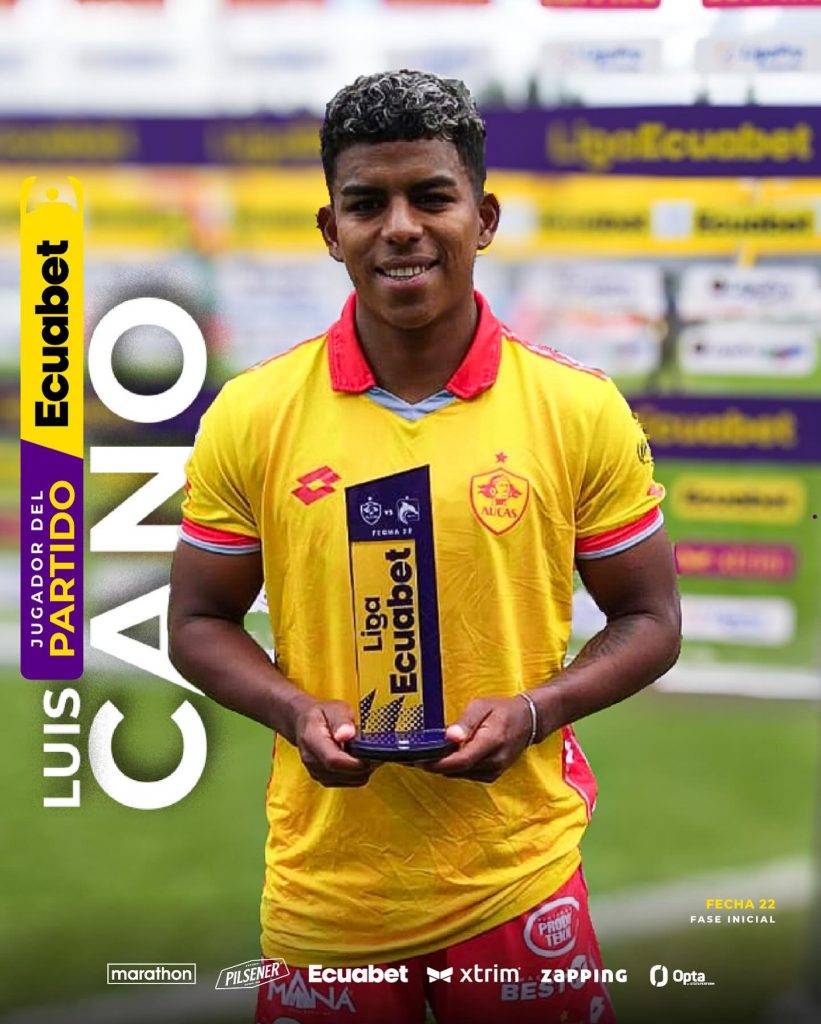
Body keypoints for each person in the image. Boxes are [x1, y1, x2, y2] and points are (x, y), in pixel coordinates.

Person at [168, 69, 681, 1024]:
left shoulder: (576, 408)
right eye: (367, 203)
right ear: (331, 230)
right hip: (328, 898)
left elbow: (650, 618)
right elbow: (198, 620)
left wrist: (536, 710)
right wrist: (293, 710)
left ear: (482, 218)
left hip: (517, 882)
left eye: (431, 197)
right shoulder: (252, 413)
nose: (399, 227)